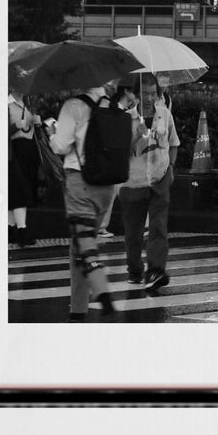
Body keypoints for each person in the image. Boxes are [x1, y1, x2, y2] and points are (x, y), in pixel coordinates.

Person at [48, 82, 124, 320]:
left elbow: (61, 146)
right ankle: (79, 307)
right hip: (106, 188)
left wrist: (52, 132)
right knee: (82, 245)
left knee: (83, 246)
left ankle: (95, 297)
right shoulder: (114, 107)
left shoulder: (74, 106)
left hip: (80, 184)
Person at [119, 73, 180, 292]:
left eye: (153, 93)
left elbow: (173, 143)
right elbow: (119, 154)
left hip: (160, 178)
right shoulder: (125, 118)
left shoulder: (165, 115)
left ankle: (155, 269)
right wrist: (135, 137)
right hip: (133, 181)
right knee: (133, 232)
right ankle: (134, 270)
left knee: (158, 226)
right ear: (135, 95)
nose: (149, 98)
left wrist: (171, 167)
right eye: (145, 93)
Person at [7, 89, 42, 246]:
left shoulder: (28, 106)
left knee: (18, 191)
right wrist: (15, 126)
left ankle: (10, 229)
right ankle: (22, 230)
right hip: (13, 151)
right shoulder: (6, 105)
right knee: (20, 190)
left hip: (29, 150)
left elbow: (36, 134)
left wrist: (38, 124)